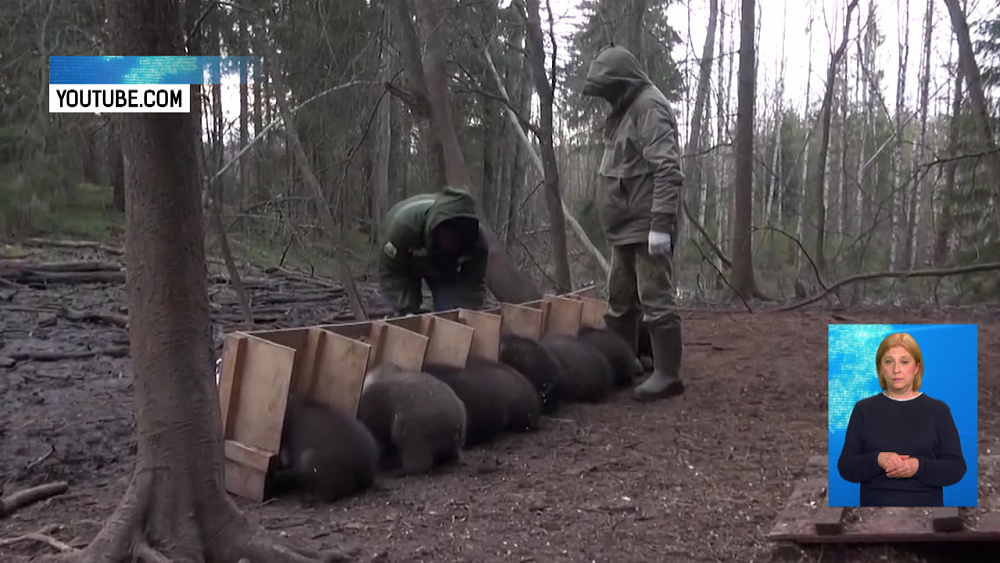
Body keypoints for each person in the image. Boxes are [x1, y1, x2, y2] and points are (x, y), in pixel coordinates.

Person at [580, 45, 686, 402]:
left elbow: (667, 168)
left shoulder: (649, 107)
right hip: (625, 228)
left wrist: (660, 224)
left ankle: (668, 375)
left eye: (608, 90)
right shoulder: (625, 111)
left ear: (623, 83)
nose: (605, 98)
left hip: (646, 226)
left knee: (655, 297)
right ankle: (624, 364)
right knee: (621, 300)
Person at [837, 332, 967, 507]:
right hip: (874, 512)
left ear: (916, 368)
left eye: (904, 362)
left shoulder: (938, 410)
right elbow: (846, 467)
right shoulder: (863, 410)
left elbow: (956, 468)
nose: (896, 370)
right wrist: (878, 460)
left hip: (927, 512)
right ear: (881, 368)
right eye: (889, 362)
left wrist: (918, 467)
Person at [378, 186, 488, 316]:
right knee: (406, 316)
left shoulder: (477, 242)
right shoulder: (403, 228)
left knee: (451, 313)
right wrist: (405, 308)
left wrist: (467, 314)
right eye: (446, 237)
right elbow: (391, 273)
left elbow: (472, 285)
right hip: (405, 263)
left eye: (456, 240)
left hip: (444, 267)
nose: (450, 244)